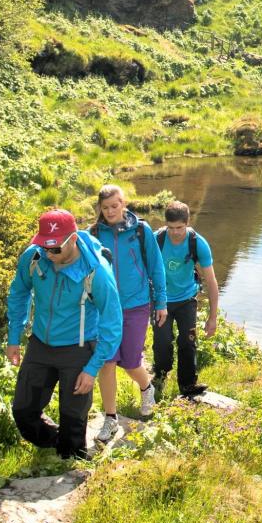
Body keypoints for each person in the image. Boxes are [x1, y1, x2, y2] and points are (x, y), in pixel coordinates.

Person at [5, 208, 122, 460]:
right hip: (40, 345)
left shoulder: (97, 272)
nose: (49, 254)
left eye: (55, 249)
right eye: (44, 247)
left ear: (73, 239)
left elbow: (112, 324)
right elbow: (18, 293)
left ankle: (72, 458)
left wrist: (92, 369)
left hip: (78, 349)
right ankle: (56, 442)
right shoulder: (34, 258)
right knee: (23, 412)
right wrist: (14, 336)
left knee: (73, 421)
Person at [90, 184, 166, 442]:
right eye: (106, 207)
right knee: (107, 361)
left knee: (131, 362)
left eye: (115, 205)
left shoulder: (141, 231)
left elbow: (156, 267)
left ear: (124, 204)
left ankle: (146, 387)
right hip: (105, 307)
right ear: (100, 208)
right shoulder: (93, 234)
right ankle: (110, 419)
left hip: (136, 304)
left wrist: (162, 302)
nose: (111, 211)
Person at [152, 200, 220, 401]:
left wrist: (213, 317)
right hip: (161, 300)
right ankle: (161, 375)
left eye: (179, 227)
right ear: (166, 224)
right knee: (162, 343)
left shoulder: (197, 243)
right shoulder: (157, 239)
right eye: (171, 227)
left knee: (188, 341)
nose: (175, 232)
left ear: (188, 223)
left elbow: (212, 281)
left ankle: (188, 384)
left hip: (186, 298)